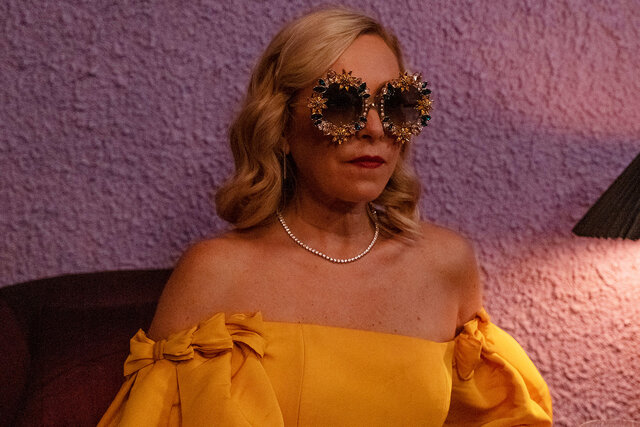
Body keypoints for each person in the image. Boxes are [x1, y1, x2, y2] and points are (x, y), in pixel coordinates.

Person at [99, 8, 552, 426]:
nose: (375, 128)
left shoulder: (445, 265)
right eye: (341, 104)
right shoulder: (215, 273)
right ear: (280, 127)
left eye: (395, 105)